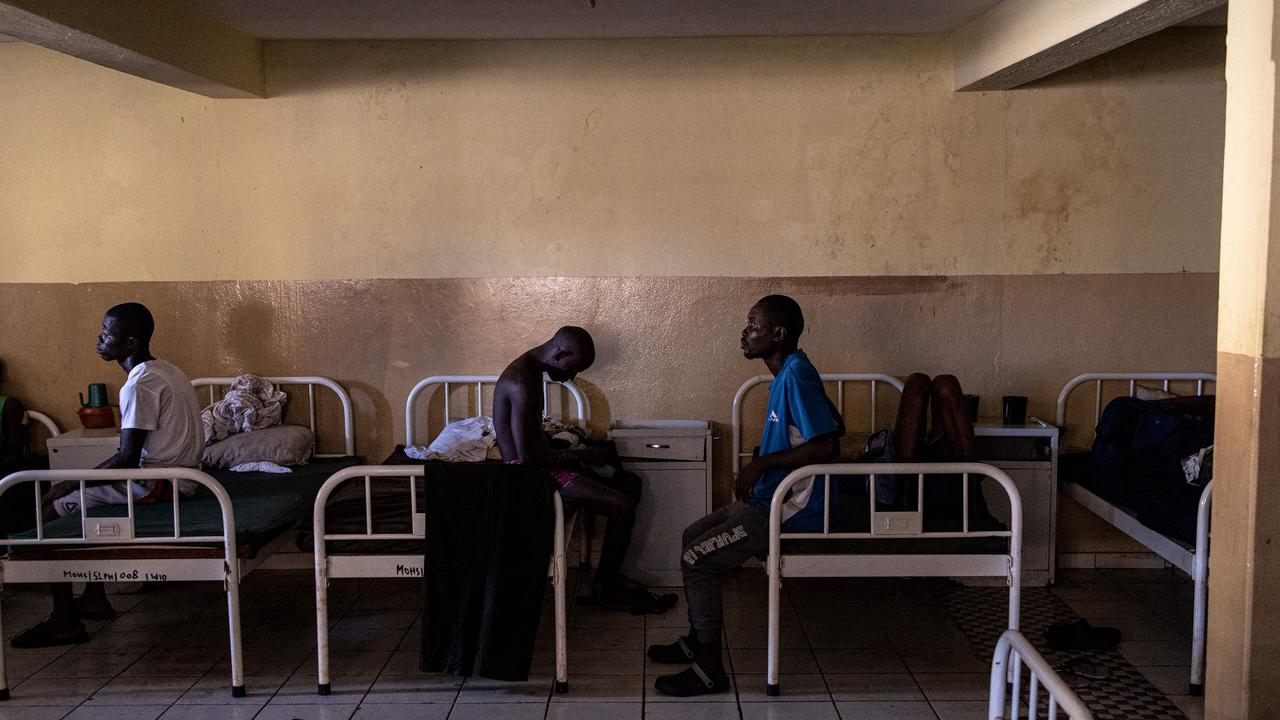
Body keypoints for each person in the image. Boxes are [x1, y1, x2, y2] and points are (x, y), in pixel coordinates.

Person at [649, 295, 844, 696]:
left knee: (696, 558)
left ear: (779, 333)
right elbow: (834, 423)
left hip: (791, 509)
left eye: (754, 325)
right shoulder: (788, 373)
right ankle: (695, 641)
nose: (745, 332)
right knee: (692, 535)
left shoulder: (796, 375)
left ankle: (709, 670)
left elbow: (827, 446)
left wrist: (761, 465)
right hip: (768, 500)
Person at [12, 302, 203, 648]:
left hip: (160, 484)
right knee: (84, 503)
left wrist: (69, 483)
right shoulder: (167, 371)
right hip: (181, 477)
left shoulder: (139, 385)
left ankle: (63, 620)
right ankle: (93, 597)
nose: (99, 339)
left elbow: (128, 459)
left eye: (107, 333)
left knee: (51, 513)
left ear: (130, 343)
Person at [493, 326, 671, 612]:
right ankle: (605, 588)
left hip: (540, 466)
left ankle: (608, 580)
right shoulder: (523, 381)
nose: (571, 377)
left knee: (630, 483)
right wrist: (580, 454)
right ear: (560, 353)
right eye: (572, 369)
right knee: (622, 505)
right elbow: (527, 457)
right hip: (528, 477)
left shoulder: (530, 372)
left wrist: (571, 451)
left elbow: (531, 441)